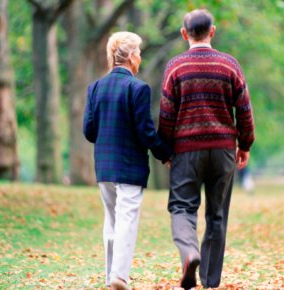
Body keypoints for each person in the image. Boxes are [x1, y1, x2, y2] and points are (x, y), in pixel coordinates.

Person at [158, 9, 255, 289]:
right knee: (217, 214)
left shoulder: (175, 67)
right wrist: (245, 144)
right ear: (212, 32)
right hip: (223, 150)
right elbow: (244, 110)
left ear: (184, 33)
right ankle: (210, 280)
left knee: (182, 207)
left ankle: (189, 252)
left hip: (186, 151)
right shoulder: (230, 65)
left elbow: (166, 115)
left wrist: (165, 151)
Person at [83, 31, 172, 290]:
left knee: (111, 221)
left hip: (104, 167)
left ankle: (111, 274)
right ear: (132, 56)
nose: (141, 58)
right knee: (126, 221)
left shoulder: (95, 88)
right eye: (140, 53)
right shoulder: (138, 88)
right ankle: (119, 277)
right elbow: (146, 132)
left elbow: (89, 132)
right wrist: (165, 154)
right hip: (130, 166)